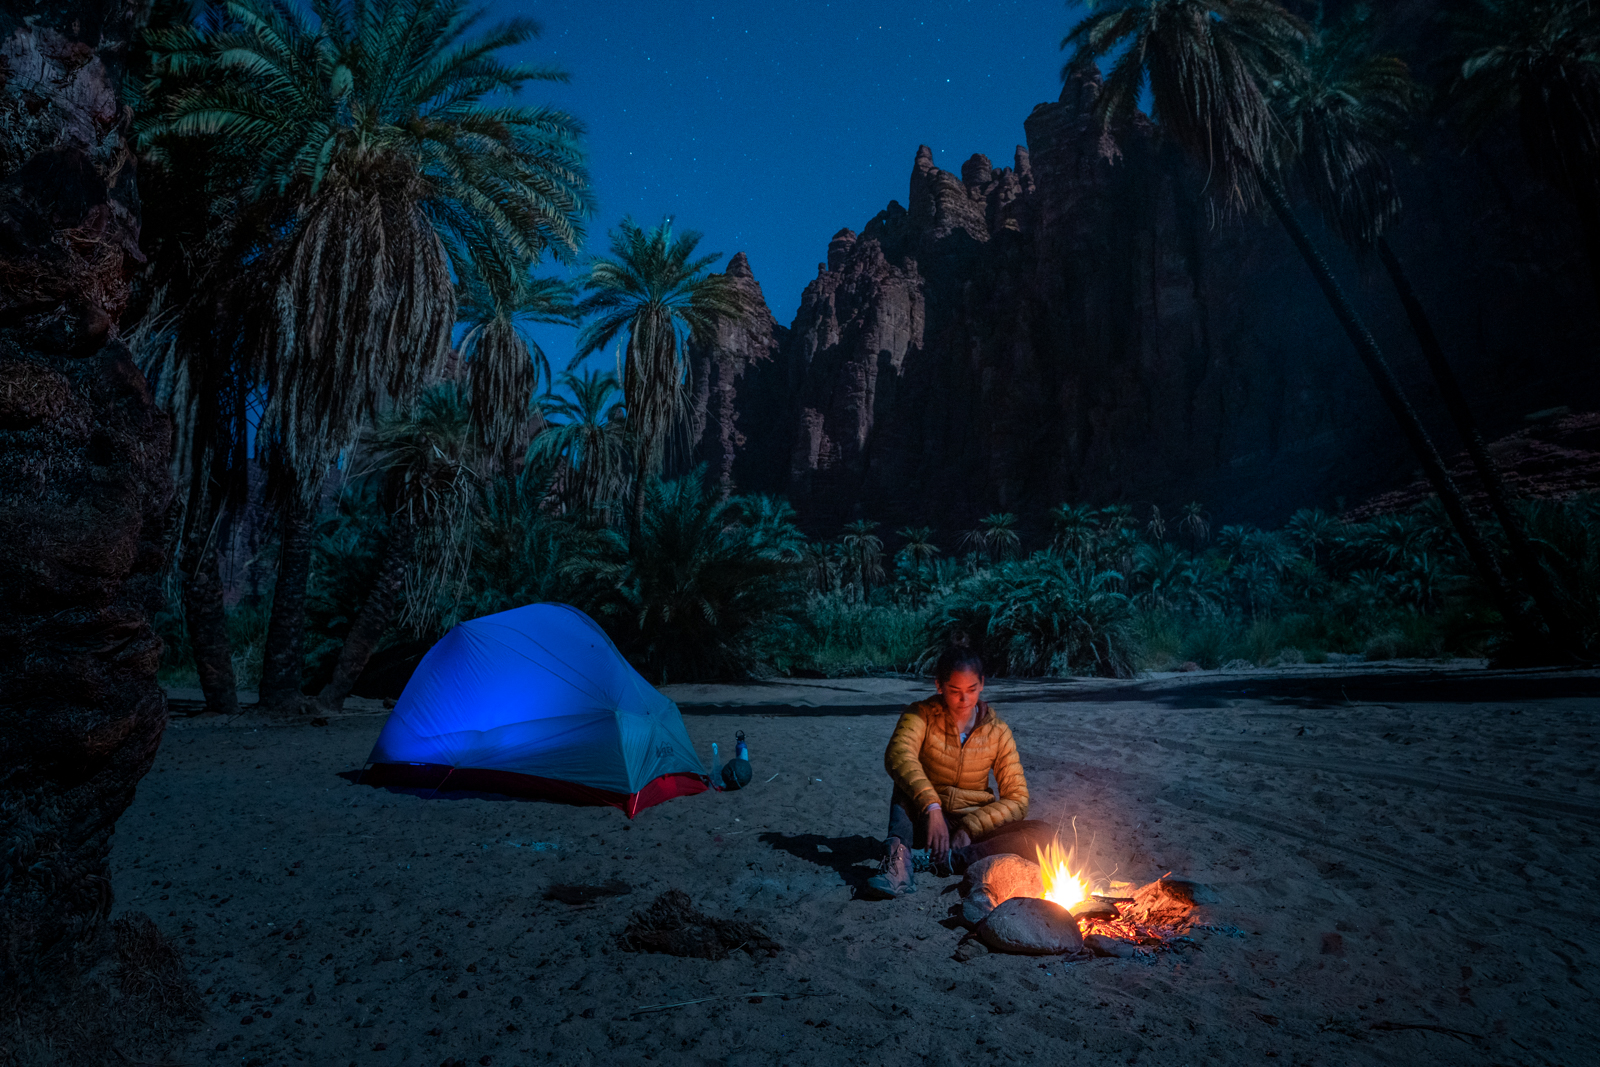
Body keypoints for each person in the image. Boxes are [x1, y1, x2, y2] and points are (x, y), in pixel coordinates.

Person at [863, 641, 1056, 899]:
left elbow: (1018, 799)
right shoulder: (920, 715)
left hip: (973, 825)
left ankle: (952, 860)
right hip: (926, 822)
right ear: (939, 685)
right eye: (954, 690)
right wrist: (932, 806)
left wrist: (969, 828)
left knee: (1043, 835)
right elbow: (899, 755)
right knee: (905, 783)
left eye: (972, 689)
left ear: (982, 684)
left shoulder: (997, 731)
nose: (964, 699)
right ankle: (898, 862)